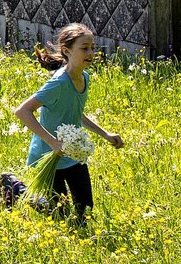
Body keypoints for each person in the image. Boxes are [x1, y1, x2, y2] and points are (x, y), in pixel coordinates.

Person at [14, 22, 125, 220]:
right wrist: (52, 142)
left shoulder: (85, 78)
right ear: (67, 51)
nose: (91, 53)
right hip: (48, 154)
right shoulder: (58, 83)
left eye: (93, 48)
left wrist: (105, 134)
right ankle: (16, 190)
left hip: (73, 152)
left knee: (86, 210)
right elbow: (22, 111)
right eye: (84, 48)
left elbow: (76, 113)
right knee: (59, 213)